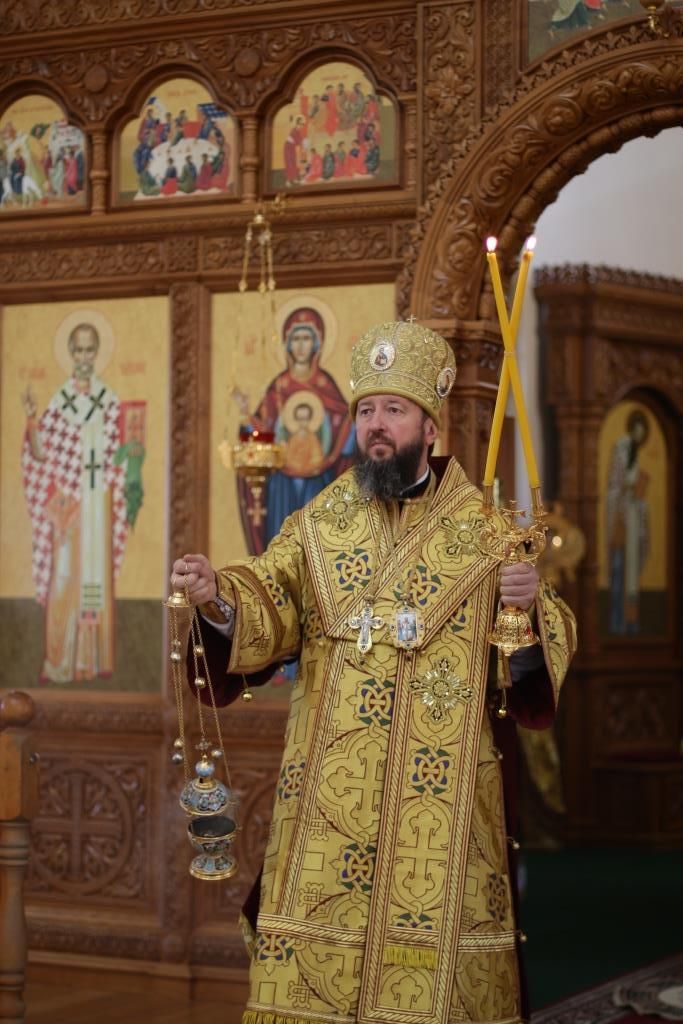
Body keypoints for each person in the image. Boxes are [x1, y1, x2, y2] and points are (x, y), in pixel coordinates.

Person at [171, 319, 576, 1024]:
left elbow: (532, 662)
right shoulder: (320, 523)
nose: (376, 426)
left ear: (429, 424)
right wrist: (217, 598)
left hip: (441, 800)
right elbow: (270, 599)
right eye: (365, 411)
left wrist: (530, 606)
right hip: (329, 795)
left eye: (393, 410)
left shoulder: (484, 530)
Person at [21, 322, 130, 682]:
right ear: (70, 353)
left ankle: (91, 660)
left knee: (93, 580)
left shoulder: (108, 400)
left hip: (97, 506)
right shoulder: (60, 402)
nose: (84, 357)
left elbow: (119, 456)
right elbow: (41, 455)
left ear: (97, 353)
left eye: (89, 350)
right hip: (67, 507)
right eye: (78, 350)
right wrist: (32, 419)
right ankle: (59, 660)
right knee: (64, 578)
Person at [605, 408, 650, 634]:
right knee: (618, 570)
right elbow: (615, 486)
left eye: (642, 435)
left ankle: (630, 622)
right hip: (620, 523)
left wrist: (638, 493)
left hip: (632, 518)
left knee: (631, 574)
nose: (638, 438)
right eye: (636, 433)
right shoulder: (622, 449)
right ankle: (617, 622)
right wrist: (629, 487)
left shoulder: (634, 452)